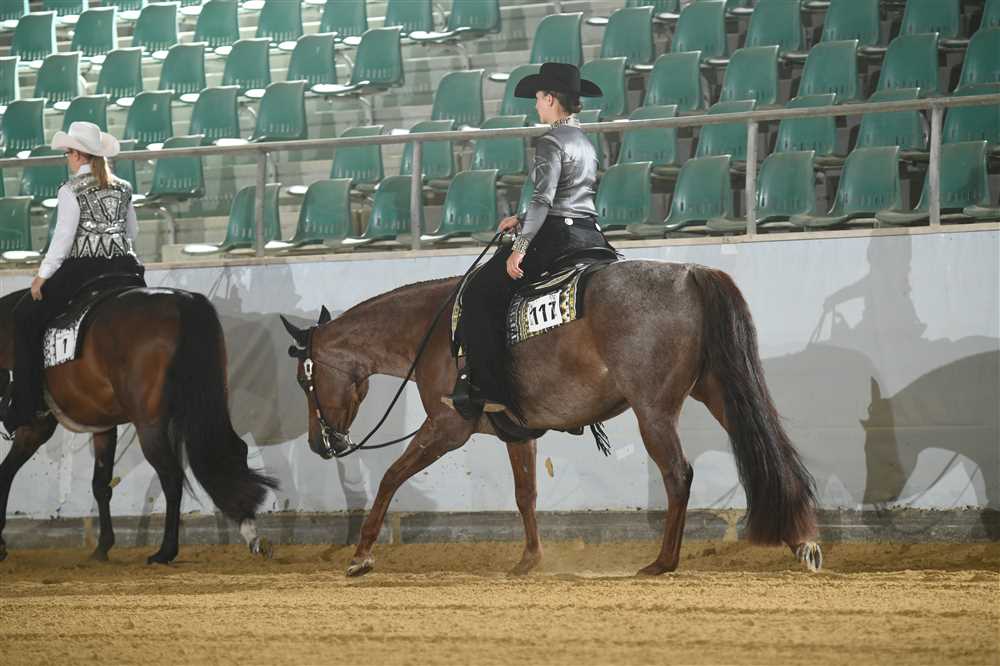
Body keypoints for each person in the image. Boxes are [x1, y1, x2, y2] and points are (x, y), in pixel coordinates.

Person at [445, 62, 616, 420]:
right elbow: (572, 195)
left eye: (538, 98)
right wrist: (522, 219)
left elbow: (543, 199)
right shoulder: (584, 141)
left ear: (551, 99)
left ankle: (488, 389)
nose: (536, 105)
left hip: (558, 237)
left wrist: (519, 248)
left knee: (478, 292)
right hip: (590, 232)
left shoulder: (551, 140)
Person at [1, 122, 145, 432]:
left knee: (25, 316)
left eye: (68, 153)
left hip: (84, 269)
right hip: (126, 268)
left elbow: (63, 238)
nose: (67, 158)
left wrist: (42, 276)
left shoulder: (71, 190)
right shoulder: (123, 187)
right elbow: (133, 232)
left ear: (79, 155)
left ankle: (26, 404)